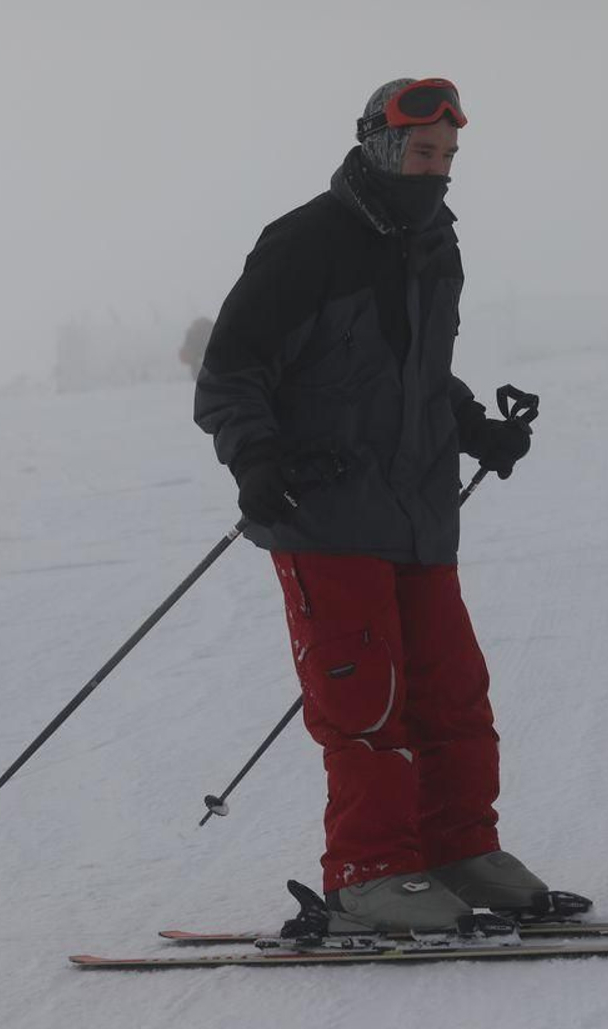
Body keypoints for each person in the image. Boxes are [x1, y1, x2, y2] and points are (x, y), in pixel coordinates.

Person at [194, 78, 556, 934]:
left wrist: (475, 429)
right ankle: (368, 870)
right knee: (367, 700)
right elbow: (230, 372)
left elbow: (418, 373)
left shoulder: (434, 242)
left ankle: (457, 848)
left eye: (448, 157)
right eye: (424, 153)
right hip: (324, 508)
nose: (438, 171)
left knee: (452, 692)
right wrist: (254, 456)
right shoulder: (306, 243)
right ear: (384, 148)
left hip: (418, 514)